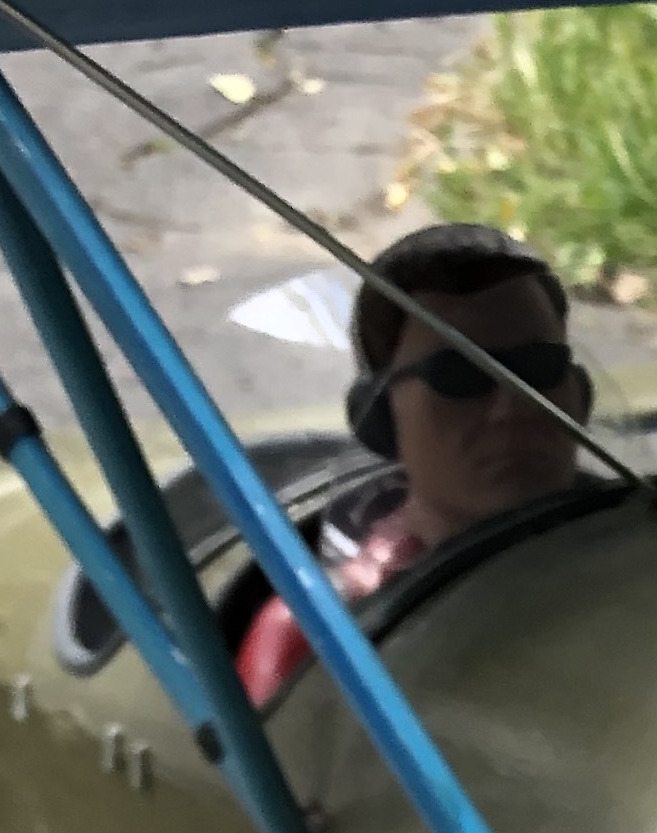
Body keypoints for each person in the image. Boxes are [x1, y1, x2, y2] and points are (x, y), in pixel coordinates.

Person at [235, 220, 593, 705]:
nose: (512, 408)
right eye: (459, 376)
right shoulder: (316, 640)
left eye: (539, 370)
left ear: (579, 394)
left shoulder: (650, 550)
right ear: (381, 417)